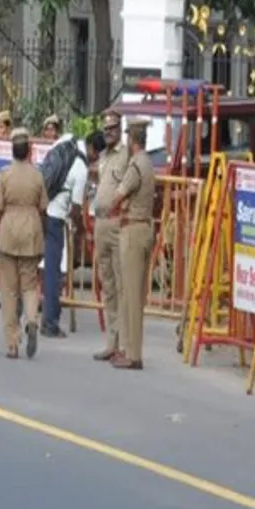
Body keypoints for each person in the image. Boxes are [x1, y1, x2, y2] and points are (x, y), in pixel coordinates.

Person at [0, 127, 48, 359]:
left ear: (12, 150)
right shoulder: (37, 176)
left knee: (9, 290)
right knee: (30, 285)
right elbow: (43, 209)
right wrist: (41, 233)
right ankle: (32, 321)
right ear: (30, 150)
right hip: (31, 228)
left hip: (9, 229)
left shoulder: (5, 175)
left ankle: (12, 343)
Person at [43, 130, 103, 338]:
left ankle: (32, 310)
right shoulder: (81, 169)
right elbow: (76, 209)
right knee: (54, 272)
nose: (96, 159)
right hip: (56, 218)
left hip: (43, 208)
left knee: (38, 266)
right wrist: (83, 231)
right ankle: (49, 322)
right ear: (93, 150)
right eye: (97, 155)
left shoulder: (66, 140)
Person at [110, 116, 157, 371]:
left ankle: (133, 353)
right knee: (134, 293)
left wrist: (110, 208)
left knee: (131, 294)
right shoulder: (148, 163)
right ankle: (129, 349)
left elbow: (118, 196)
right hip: (145, 227)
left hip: (133, 229)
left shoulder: (136, 166)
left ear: (131, 140)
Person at [92, 112, 130, 361]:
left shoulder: (126, 156)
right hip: (101, 222)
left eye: (113, 129)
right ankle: (111, 341)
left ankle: (123, 343)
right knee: (107, 284)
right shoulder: (103, 157)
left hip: (117, 223)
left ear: (120, 129)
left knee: (120, 282)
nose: (109, 133)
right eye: (106, 130)